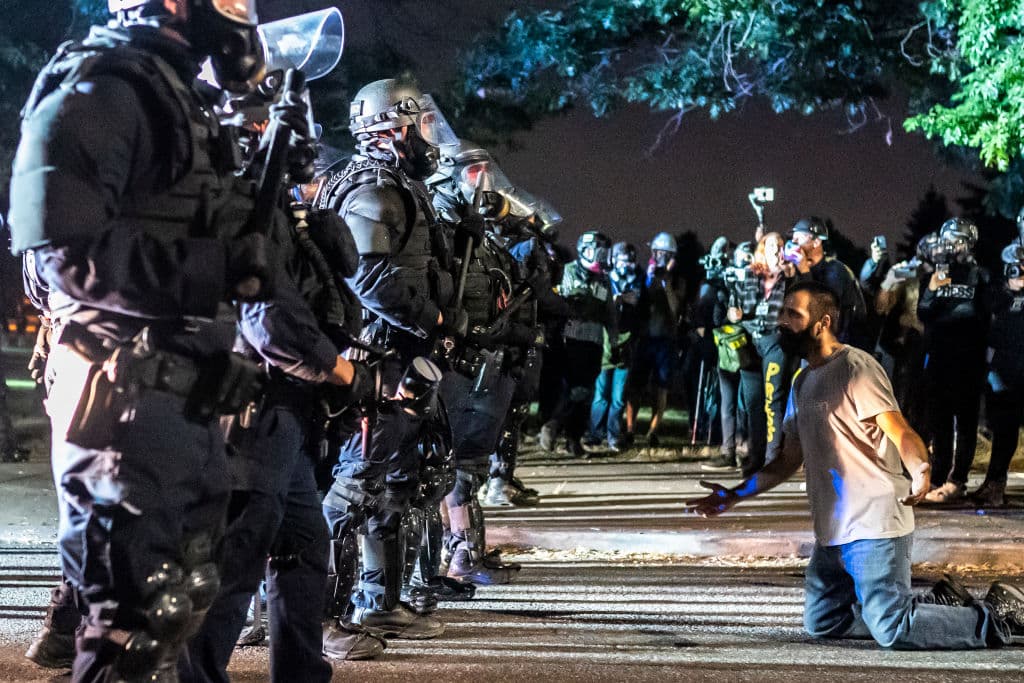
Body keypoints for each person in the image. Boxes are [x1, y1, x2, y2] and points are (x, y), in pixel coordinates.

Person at [6, 1, 290, 679]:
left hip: (184, 399)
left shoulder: (175, 95)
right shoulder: (103, 87)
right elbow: (59, 251)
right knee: (129, 629)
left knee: (178, 606)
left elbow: (187, 226)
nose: (238, 14)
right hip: (121, 402)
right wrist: (213, 268)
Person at [685, 280, 1022, 649]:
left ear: (822, 323)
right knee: (824, 621)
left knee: (892, 628)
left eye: (792, 314)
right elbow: (788, 459)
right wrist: (733, 496)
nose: (781, 321)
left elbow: (899, 430)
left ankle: (997, 617)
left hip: (874, 525)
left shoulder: (856, 369)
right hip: (833, 533)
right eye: (781, 312)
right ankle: (938, 606)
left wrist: (921, 468)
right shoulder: (802, 382)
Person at [315, 77, 461, 645]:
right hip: (379, 356)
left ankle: (376, 602)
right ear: (389, 128)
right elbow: (370, 280)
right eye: (420, 123)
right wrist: (437, 321)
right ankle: (317, 620)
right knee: (355, 485)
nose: (428, 136)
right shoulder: (373, 190)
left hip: (398, 354)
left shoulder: (395, 184)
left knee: (393, 483)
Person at [703, 232, 797, 476]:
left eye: (779, 248)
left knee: (772, 401)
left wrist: (794, 275)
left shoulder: (790, 278)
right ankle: (755, 458)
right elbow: (735, 307)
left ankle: (773, 458)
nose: (775, 253)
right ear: (762, 251)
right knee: (753, 403)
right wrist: (734, 314)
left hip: (775, 341)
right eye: (770, 248)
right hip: (750, 344)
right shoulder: (750, 276)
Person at [917, 219, 991, 504]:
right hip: (938, 359)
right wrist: (932, 289)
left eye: (956, 240)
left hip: (968, 361)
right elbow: (923, 313)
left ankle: (957, 479)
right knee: (940, 422)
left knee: (967, 422)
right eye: (947, 239)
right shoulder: (934, 274)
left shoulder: (979, 275)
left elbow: (985, 318)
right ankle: (938, 477)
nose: (950, 245)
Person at [539, 231, 617, 456]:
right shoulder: (568, 272)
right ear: (586, 250)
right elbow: (554, 303)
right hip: (569, 340)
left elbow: (609, 313)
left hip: (593, 342)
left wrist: (614, 338)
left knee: (586, 393)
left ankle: (573, 439)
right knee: (574, 389)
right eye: (598, 251)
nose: (602, 256)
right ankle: (554, 424)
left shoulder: (603, 279)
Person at [969, 242, 1024, 507]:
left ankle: (996, 485)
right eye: (1015, 271)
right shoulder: (999, 296)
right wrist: (990, 371)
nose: (1020, 275)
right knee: (1003, 429)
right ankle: (994, 482)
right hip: (1003, 369)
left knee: (1009, 430)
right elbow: (991, 312)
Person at [627, 231, 684, 447]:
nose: (661, 257)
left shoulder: (677, 280)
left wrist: (666, 282)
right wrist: (651, 279)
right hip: (644, 339)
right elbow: (637, 302)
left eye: (665, 254)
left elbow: (674, 308)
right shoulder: (644, 275)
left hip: (665, 341)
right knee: (636, 387)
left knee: (661, 387)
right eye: (658, 252)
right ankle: (630, 430)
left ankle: (652, 431)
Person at [585, 241, 641, 452]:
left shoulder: (637, 280)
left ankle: (613, 437)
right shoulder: (604, 280)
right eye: (621, 260)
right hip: (605, 347)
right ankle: (594, 434)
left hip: (625, 347)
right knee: (600, 395)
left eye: (628, 260)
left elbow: (635, 301)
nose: (625, 265)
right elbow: (599, 306)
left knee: (618, 399)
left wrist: (621, 299)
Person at [787, 217, 868, 348]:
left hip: (839, 344)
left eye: (799, 238)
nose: (793, 242)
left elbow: (822, 307)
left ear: (816, 242)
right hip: (810, 342)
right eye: (793, 238)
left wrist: (804, 272)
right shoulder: (796, 269)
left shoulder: (835, 270)